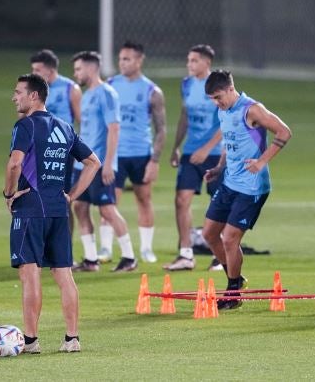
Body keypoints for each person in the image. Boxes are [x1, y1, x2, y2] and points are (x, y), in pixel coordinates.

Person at [5, 74, 100, 354]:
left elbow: (15, 164)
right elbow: (93, 162)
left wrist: (9, 195)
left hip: (30, 209)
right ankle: (72, 339)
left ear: (33, 96)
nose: (15, 97)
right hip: (59, 210)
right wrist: (71, 195)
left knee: (30, 274)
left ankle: (31, 341)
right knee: (64, 275)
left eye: (18, 92)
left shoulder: (25, 126)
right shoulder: (65, 127)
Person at [201, 70, 291, 310]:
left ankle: (233, 292)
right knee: (209, 234)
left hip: (252, 187)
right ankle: (237, 279)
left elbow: (284, 132)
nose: (216, 102)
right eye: (213, 99)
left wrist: (262, 161)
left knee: (230, 238)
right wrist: (219, 168)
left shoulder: (252, 109)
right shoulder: (223, 110)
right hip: (229, 181)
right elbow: (230, 142)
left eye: (218, 97)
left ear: (231, 89)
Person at [70, 51, 138, 272]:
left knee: (107, 210)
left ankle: (129, 257)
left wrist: (109, 163)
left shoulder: (107, 93)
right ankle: (91, 259)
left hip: (99, 165)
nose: (76, 73)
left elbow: (114, 129)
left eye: (79, 69)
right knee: (79, 206)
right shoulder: (87, 94)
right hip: (82, 164)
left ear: (91, 69)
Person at [100, 41, 166, 264]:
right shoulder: (109, 86)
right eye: (120, 59)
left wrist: (154, 161)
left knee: (144, 199)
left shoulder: (152, 91)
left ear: (139, 60)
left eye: (127, 59)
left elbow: (161, 129)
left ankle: (146, 248)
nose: (122, 63)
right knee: (109, 202)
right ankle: (106, 248)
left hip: (140, 154)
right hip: (115, 154)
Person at [164, 44, 224, 272]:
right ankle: (186, 254)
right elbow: (185, 116)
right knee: (181, 199)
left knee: (217, 203)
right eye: (188, 60)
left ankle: (218, 256)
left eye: (194, 61)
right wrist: (176, 147)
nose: (189, 65)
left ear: (207, 63)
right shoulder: (186, 84)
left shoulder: (218, 85)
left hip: (216, 153)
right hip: (190, 151)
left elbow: (227, 121)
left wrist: (208, 149)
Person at [30, 49, 82, 234]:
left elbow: (82, 122)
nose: (33, 73)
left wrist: (78, 152)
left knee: (63, 199)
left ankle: (65, 251)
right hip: (37, 153)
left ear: (49, 71)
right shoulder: (33, 91)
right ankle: (42, 247)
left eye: (37, 70)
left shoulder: (70, 88)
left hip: (62, 153)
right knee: (36, 199)